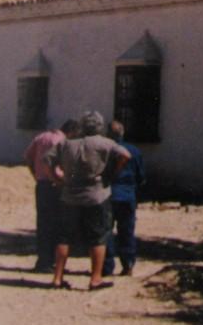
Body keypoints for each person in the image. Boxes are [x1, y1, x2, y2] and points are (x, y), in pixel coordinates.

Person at [48, 110, 130, 291]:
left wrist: (56, 179)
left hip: (69, 195)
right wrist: (112, 173)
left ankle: (57, 278)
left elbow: (47, 159)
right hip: (96, 194)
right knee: (98, 237)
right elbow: (125, 155)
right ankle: (95, 278)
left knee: (64, 237)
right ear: (100, 126)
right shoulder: (106, 143)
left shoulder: (66, 143)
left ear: (81, 126)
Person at [23, 119, 79, 272]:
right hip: (56, 185)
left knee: (43, 223)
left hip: (41, 185)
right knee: (58, 225)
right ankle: (53, 262)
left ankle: (43, 260)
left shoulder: (41, 137)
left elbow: (27, 156)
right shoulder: (62, 142)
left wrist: (35, 174)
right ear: (72, 132)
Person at [105, 119, 146, 276]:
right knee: (127, 231)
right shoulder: (134, 151)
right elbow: (141, 177)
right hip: (127, 196)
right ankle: (128, 264)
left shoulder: (106, 150)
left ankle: (107, 266)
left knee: (106, 231)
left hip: (109, 195)